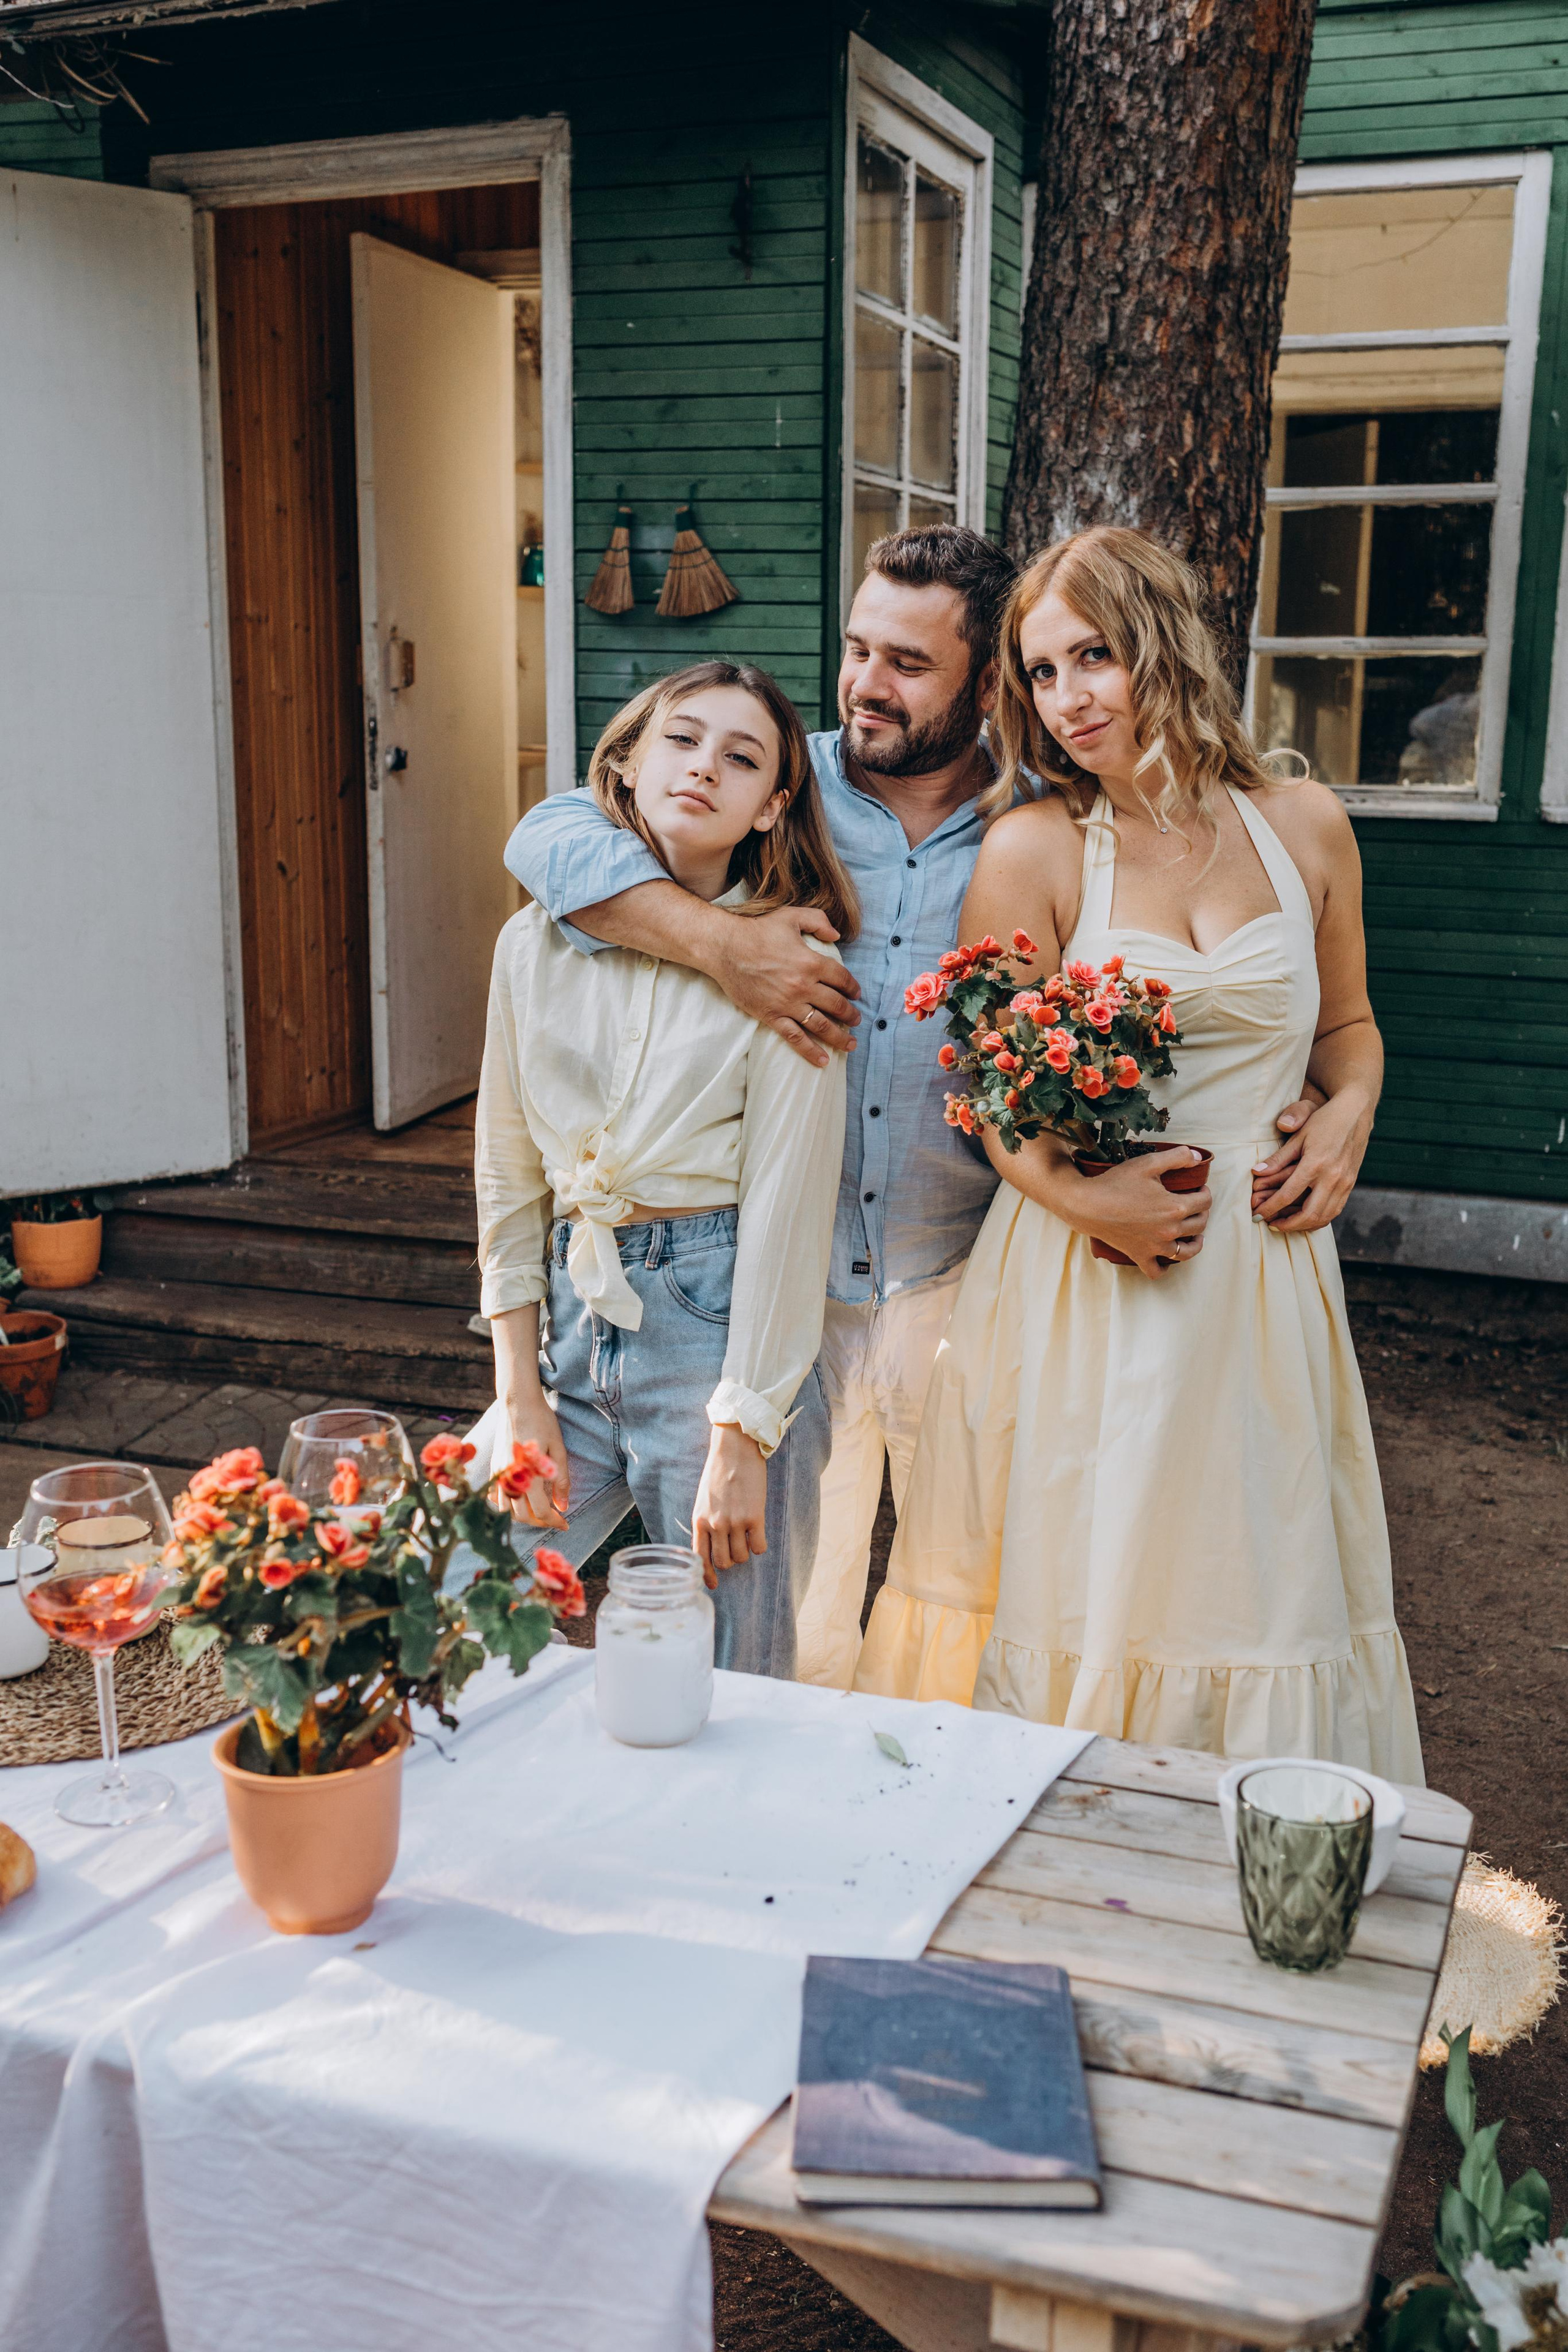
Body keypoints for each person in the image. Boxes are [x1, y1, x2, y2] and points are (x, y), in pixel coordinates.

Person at [504, 526, 1324, 1689]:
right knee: (793, 1611)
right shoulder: (778, 784)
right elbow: (547, 837)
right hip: (784, 1287)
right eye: (857, 649)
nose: (864, 686)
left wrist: (1335, 1106)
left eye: (907, 663)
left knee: (982, 1598)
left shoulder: (1049, 818)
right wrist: (721, 946)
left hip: (970, 1273)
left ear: (987, 680)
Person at [855, 527, 1423, 1784]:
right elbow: (994, 1090)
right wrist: (1083, 1199)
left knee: (1251, 1579)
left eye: (1092, 658)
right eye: (1042, 672)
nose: (1068, 700)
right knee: (1082, 1578)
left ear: (1161, 644)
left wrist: (1345, 1115)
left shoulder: (1304, 825)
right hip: (1083, 1276)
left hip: (1258, 1286)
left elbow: (1345, 1029)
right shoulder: (1034, 851)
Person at [470, 659, 851, 1678]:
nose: (702, 768)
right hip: (569, 1319)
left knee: (731, 1671)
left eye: (742, 758)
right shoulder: (529, 944)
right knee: (452, 1592)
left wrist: (746, 1433)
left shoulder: (799, 972)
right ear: (628, 762)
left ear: (773, 807)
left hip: (719, 1334)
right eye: (681, 740)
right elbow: (508, 1172)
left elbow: (788, 1211)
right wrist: (519, 1391)